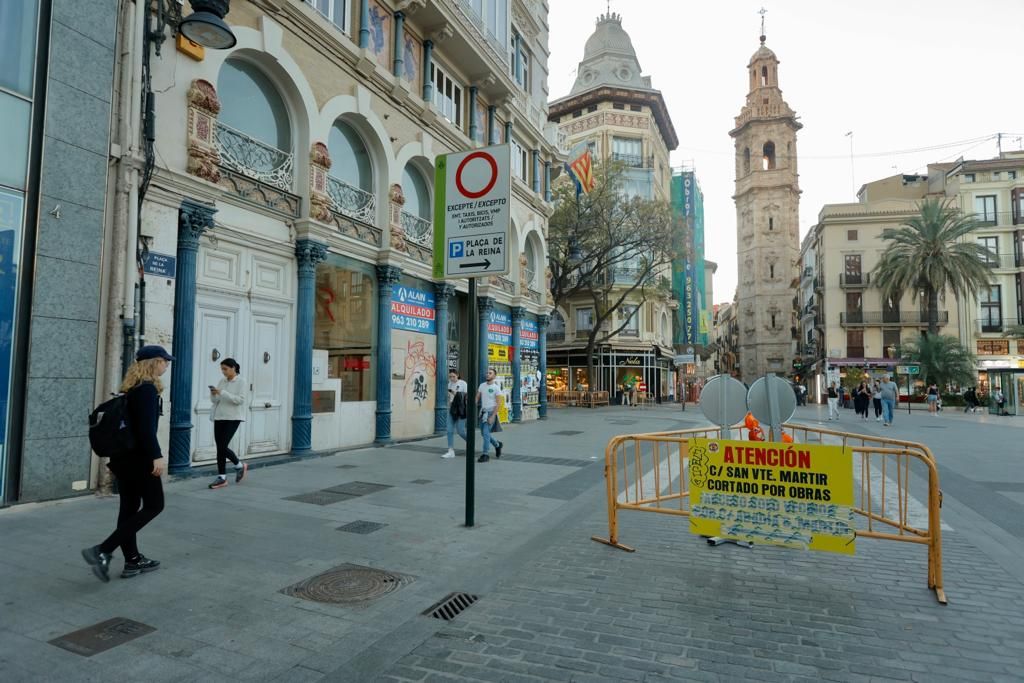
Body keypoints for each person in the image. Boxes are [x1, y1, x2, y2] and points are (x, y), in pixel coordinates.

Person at [82, 345, 171, 582]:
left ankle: (132, 560)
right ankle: (102, 550)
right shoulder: (147, 390)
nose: (167, 365)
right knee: (154, 505)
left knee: (129, 508)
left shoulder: (132, 389)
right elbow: (145, 430)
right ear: (153, 363)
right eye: (164, 361)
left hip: (122, 458)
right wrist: (156, 456)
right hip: (139, 459)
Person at [208, 358, 248, 489]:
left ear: (233, 368)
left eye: (225, 369)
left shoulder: (241, 382)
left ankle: (239, 465)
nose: (223, 372)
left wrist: (223, 392)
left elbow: (239, 400)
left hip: (233, 418)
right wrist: (214, 394)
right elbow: (216, 400)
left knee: (222, 447)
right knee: (220, 448)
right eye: (222, 369)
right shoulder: (222, 381)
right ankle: (222, 477)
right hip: (219, 417)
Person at [476, 367, 503, 462]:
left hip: (491, 412)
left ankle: (485, 454)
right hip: (483, 412)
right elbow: (477, 398)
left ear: (494, 376)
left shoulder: (496, 388)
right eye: (487, 373)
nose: (487, 374)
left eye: (490, 373)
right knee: (484, 433)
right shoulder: (482, 385)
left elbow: (499, 403)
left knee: (486, 433)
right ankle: (497, 444)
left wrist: (493, 416)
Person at [443, 369, 468, 459]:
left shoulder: (463, 383)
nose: (452, 378)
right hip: (452, 409)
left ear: (457, 375)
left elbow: (466, 397)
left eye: (453, 376)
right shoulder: (449, 384)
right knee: (449, 430)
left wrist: (456, 393)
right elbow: (450, 397)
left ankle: (470, 443)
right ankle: (450, 450)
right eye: (450, 376)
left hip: (461, 409)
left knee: (460, 431)